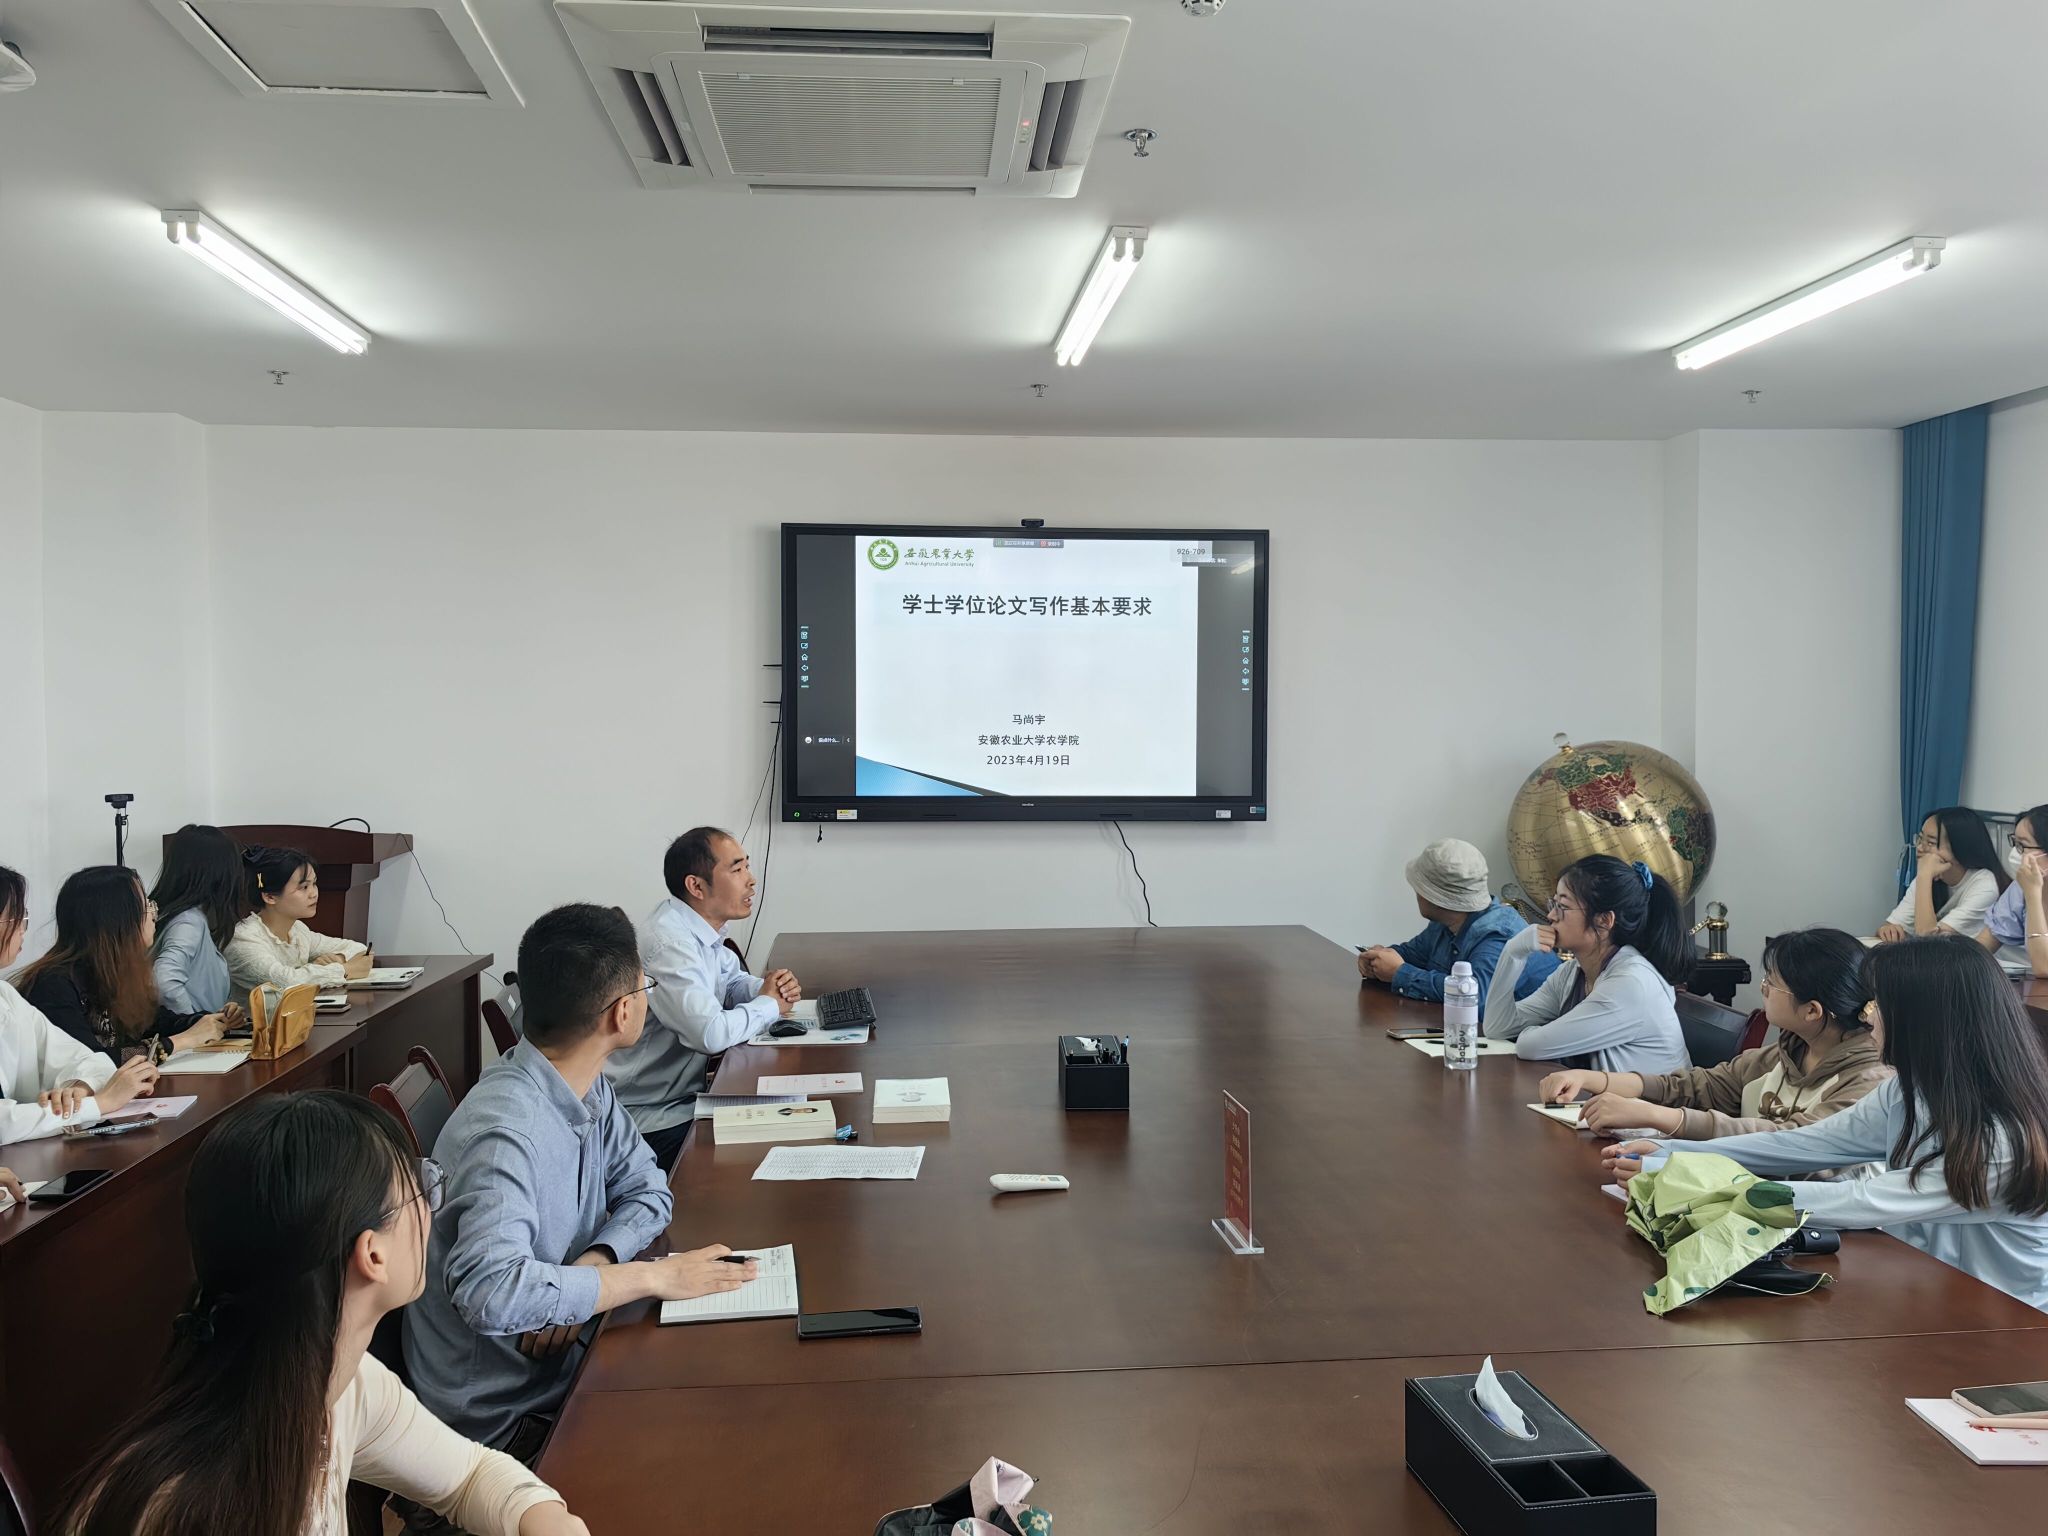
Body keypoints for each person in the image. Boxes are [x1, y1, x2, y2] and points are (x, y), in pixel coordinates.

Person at [49, 1090, 590, 1536]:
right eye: (420, 1190)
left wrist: (543, 1518)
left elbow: (469, 1476)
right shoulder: (190, 1510)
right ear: (372, 1255)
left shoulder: (337, 1381)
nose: (431, 1208)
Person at [404, 902, 754, 1472]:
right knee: (716, 1444)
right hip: (502, 1430)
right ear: (623, 1013)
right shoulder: (506, 1135)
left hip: (565, 1366)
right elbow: (492, 1294)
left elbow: (649, 1189)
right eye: (646, 986)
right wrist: (647, 1277)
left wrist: (595, 1265)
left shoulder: (582, 1083)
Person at [1603, 938, 2048, 1311]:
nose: (1867, 1017)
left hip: (2010, 1323)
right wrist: (1674, 1155)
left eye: (1878, 1005)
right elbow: (1802, 1144)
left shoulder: (2003, 1139)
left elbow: (1865, 1201)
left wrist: (1707, 1184)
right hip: (1929, 1291)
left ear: (1922, 1022)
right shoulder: (1911, 1091)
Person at [1540, 927, 1886, 1147]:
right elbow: (1698, 1086)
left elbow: (1792, 1141)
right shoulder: (1787, 1052)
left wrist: (1654, 1116)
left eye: (1772, 982)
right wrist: (1594, 1080)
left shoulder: (1870, 1082)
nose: (1763, 988)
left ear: (1812, 1011)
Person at [608, 827, 802, 1170]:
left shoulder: (695, 928)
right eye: (737, 869)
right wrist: (770, 1004)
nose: (751, 880)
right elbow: (709, 1034)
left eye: (747, 866)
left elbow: (730, 982)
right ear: (696, 886)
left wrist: (766, 988)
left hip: (677, 1101)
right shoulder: (671, 945)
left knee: (792, 1120)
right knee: (772, 1145)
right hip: (647, 1120)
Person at [1482, 854, 1689, 1074]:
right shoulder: (1572, 972)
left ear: (1604, 921)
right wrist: (1513, 953)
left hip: (1650, 1097)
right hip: (1601, 1095)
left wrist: (1541, 1032)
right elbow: (1497, 1028)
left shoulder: (1631, 982)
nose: (1551, 915)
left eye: (1562, 906)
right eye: (1554, 903)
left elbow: (1529, 1047)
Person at [0, 865, 158, 1142]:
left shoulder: (5, 996)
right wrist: (98, 1104)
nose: (23, 928)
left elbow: (86, 1058)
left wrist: (80, 1086)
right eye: (17, 917)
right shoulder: (54, 982)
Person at [15, 864, 228, 1058]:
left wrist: (211, 1021)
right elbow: (92, 1061)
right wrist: (178, 1043)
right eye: (146, 906)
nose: (153, 915)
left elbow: (158, 1023)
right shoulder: (53, 984)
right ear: (117, 920)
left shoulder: (114, 970)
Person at [1357, 838, 1560, 1013]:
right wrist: (1379, 959)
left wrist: (1399, 974)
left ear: (1433, 897)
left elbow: (1475, 998)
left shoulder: (1497, 935)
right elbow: (1413, 954)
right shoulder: (1444, 923)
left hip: (1518, 1043)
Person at [226, 846, 371, 993]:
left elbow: (360, 949)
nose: (314, 894)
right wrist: (345, 970)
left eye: (314, 884)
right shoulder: (243, 939)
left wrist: (338, 959)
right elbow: (288, 982)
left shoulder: (297, 930)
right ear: (270, 897)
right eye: (304, 887)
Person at [151, 823, 246, 1013]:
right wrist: (194, 1022)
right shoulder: (189, 922)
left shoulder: (182, 915)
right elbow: (164, 981)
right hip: (190, 1031)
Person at [1876, 806, 2007, 942]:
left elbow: (1928, 940)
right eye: (1920, 839)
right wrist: (1887, 930)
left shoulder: (1985, 885)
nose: (1919, 848)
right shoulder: (1929, 877)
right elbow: (1893, 925)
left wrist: (1924, 876)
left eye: (1930, 843)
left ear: (1960, 848)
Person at [1977, 805, 2048, 976]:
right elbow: (1983, 945)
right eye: (2015, 843)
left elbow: (2044, 968)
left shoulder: (2028, 887)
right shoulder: (2021, 887)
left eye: (2022, 845)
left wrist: (2032, 895)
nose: (2015, 854)